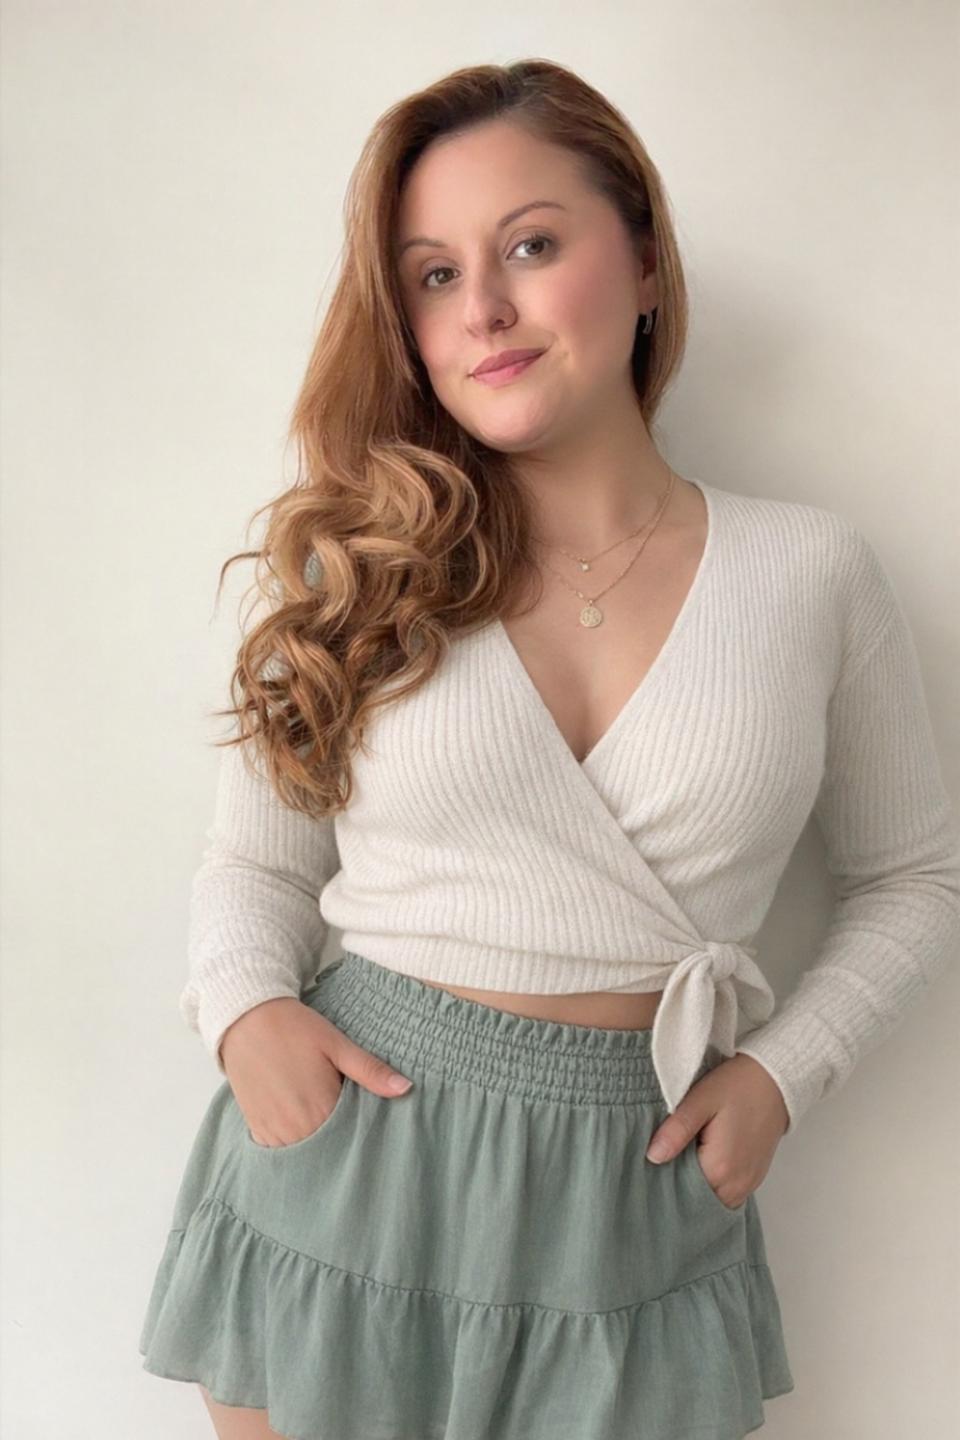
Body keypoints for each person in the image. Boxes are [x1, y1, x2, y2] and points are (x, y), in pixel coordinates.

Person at [138, 58, 960, 1440]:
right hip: (353, 1171)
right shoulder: (360, 570)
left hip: (633, 1198)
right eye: (433, 275)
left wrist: (783, 1074)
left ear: (641, 260)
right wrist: (244, 1012)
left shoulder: (811, 575)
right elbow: (256, 863)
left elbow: (914, 876)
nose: (485, 308)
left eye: (528, 246)